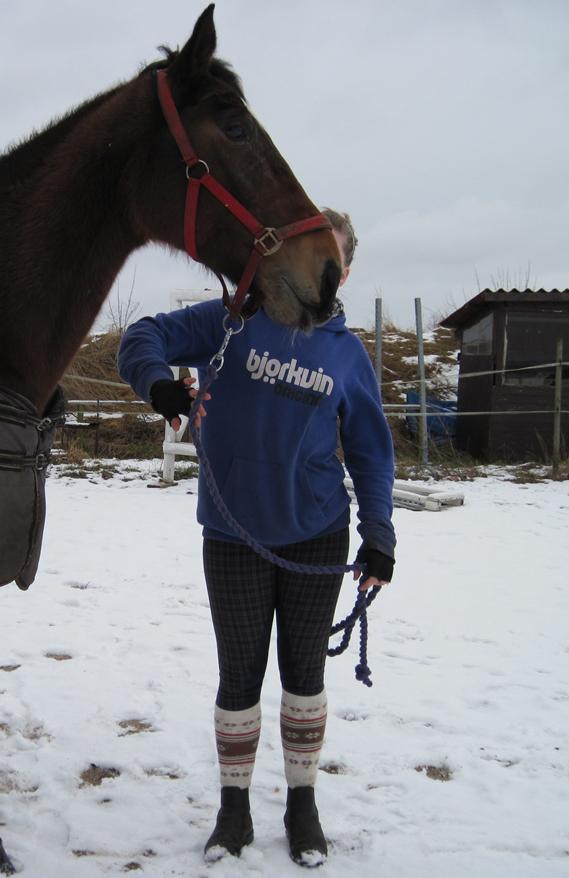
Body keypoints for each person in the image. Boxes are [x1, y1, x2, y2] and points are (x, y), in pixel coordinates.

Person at [117, 208, 395, 867]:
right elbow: (142, 337)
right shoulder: (229, 321)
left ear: (344, 269)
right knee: (238, 676)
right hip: (233, 534)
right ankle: (234, 809)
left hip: (317, 536)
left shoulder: (346, 355)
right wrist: (160, 388)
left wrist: (378, 536)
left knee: (304, 677)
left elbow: (372, 454)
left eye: (330, 256)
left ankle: (302, 806)